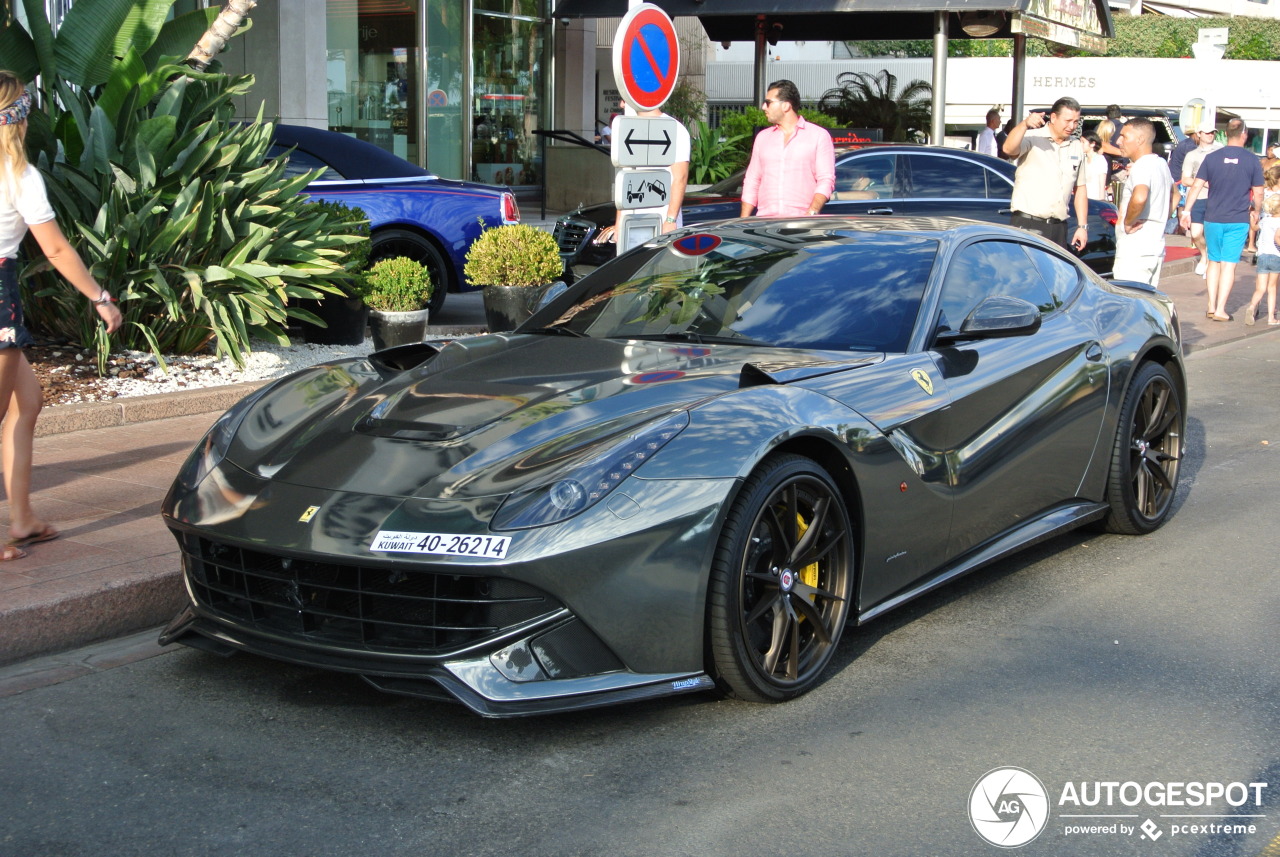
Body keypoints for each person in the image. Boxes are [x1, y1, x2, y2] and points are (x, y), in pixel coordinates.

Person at [0, 71, 122, 561]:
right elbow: (53, 248)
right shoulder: (19, 176)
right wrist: (99, 296)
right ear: (19, 118)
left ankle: (23, 518)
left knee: (26, 404)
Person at [1179, 119, 1264, 322]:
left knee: (1213, 261)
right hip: (1237, 219)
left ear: (1224, 134)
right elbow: (1259, 192)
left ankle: (1210, 305)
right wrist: (1256, 211)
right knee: (1229, 264)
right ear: (1244, 134)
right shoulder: (1252, 160)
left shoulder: (1212, 157)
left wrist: (1186, 212)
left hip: (1213, 217)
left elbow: (1196, 186)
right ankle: (1220, 309)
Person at [594, 98, 690, 248]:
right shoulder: (627, 127)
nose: (621, 104)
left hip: (661, 222)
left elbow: (680, 177)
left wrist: (670, 221)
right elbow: (626, 179)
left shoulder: (675, 129)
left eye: (625, 98)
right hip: (632, 223)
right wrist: (619, 223)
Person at [1001, 96, 1090, 252]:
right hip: (1029, 223)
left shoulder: (1076, 146)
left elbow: (1080, 189)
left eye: (1076, 121)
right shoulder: (1033, 137)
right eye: (1067, 120)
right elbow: (1008, 149)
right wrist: (1024, 125)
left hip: (1059, 227)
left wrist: (1082, 226)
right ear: (1054, 117)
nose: (1072, 126)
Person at [740, 79, 835, 218]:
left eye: (768, 103)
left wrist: (812, 212)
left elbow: (826, 179)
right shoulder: (763, 138)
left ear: (786, 106)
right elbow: (752, 180)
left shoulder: (818, 136)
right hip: (765, 223)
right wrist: (743, 220)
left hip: (802, 224)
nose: (763, 107)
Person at [1112, 118, 1173, 287]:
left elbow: (1140, 197)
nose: (1119, 141)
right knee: (1146, 302)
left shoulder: (1142, 166)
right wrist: (1161, 217)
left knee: (1130, 301)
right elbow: (1174, 195)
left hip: (1135, 249)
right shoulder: (1161, 163)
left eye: (1124, 136)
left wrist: (1128, 222)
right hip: (1154, 245)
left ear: (1139, 140)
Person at [1181, 124, 1222, 277]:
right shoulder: (1192, 155)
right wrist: (1202, 182)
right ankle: (1204, 256)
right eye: (1207, 132)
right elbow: (1185, 179)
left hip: (1217, 198)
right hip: (1198, 197)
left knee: (1213, 233)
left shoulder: (1220, 151)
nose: (1210, 135)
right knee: (1196, 233)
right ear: (1199, 134)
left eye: (1213, 132)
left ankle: (1211, 262)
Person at [1244, 192, 1280, 326]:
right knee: (1272, 288)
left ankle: (1251, 307)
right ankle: (1271, 317)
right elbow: (1278, 237)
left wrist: (1253, 219)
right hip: (1276, 256)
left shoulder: (1265, 220)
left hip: (1262, 256)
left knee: (1261, 288)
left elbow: (1254, 228)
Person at [1082, 133, 1109, 201]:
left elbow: (1102, 181)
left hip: (1096, 198)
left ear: (1092, 144)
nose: (1081, 144)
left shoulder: (1100, 159)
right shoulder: (1083, 159)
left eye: (1083, 142)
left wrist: (1101, 199)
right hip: (1084, 198)